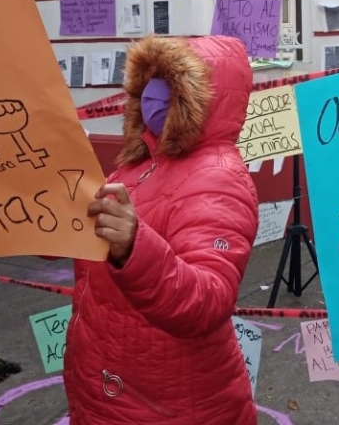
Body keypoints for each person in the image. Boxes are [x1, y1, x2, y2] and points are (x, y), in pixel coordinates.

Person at [63, 34, 260, 424]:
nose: (153, 94)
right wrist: (50, 225)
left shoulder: (220, 177)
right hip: (110, 389)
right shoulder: (137, 164)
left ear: (202, 99)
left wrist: (135, 247)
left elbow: (207, 300)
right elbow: (95, 234)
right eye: (149, 82)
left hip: (171, 405)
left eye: (168, 84)